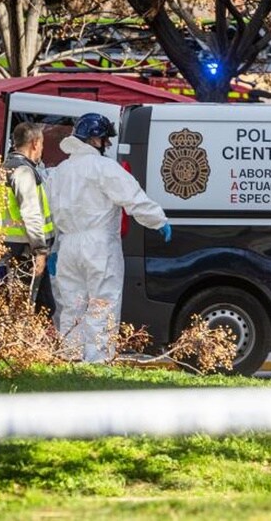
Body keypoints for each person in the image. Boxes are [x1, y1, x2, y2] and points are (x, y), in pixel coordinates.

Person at [48, 113, 171, 363]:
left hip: (68, 245)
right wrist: (158, 220)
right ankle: (97, 360)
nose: (107, 145)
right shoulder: (103, 168)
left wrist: (55, 247)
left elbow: (53, 211)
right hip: (99, 245)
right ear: (95, 140)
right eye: (105, 140)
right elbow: (132, 197)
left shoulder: (59, 172)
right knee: (102, 303)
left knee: (72, 304)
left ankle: (70, 357)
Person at [0, 122, 56, 315]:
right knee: (34, 308)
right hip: (25, 251)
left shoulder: (4, 168)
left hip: (8, 248)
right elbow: (31, 212)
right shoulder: (23, 172)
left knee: (25, 306)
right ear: (35, 143)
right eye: (42, 145)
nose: (42, 150)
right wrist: (40, 250)